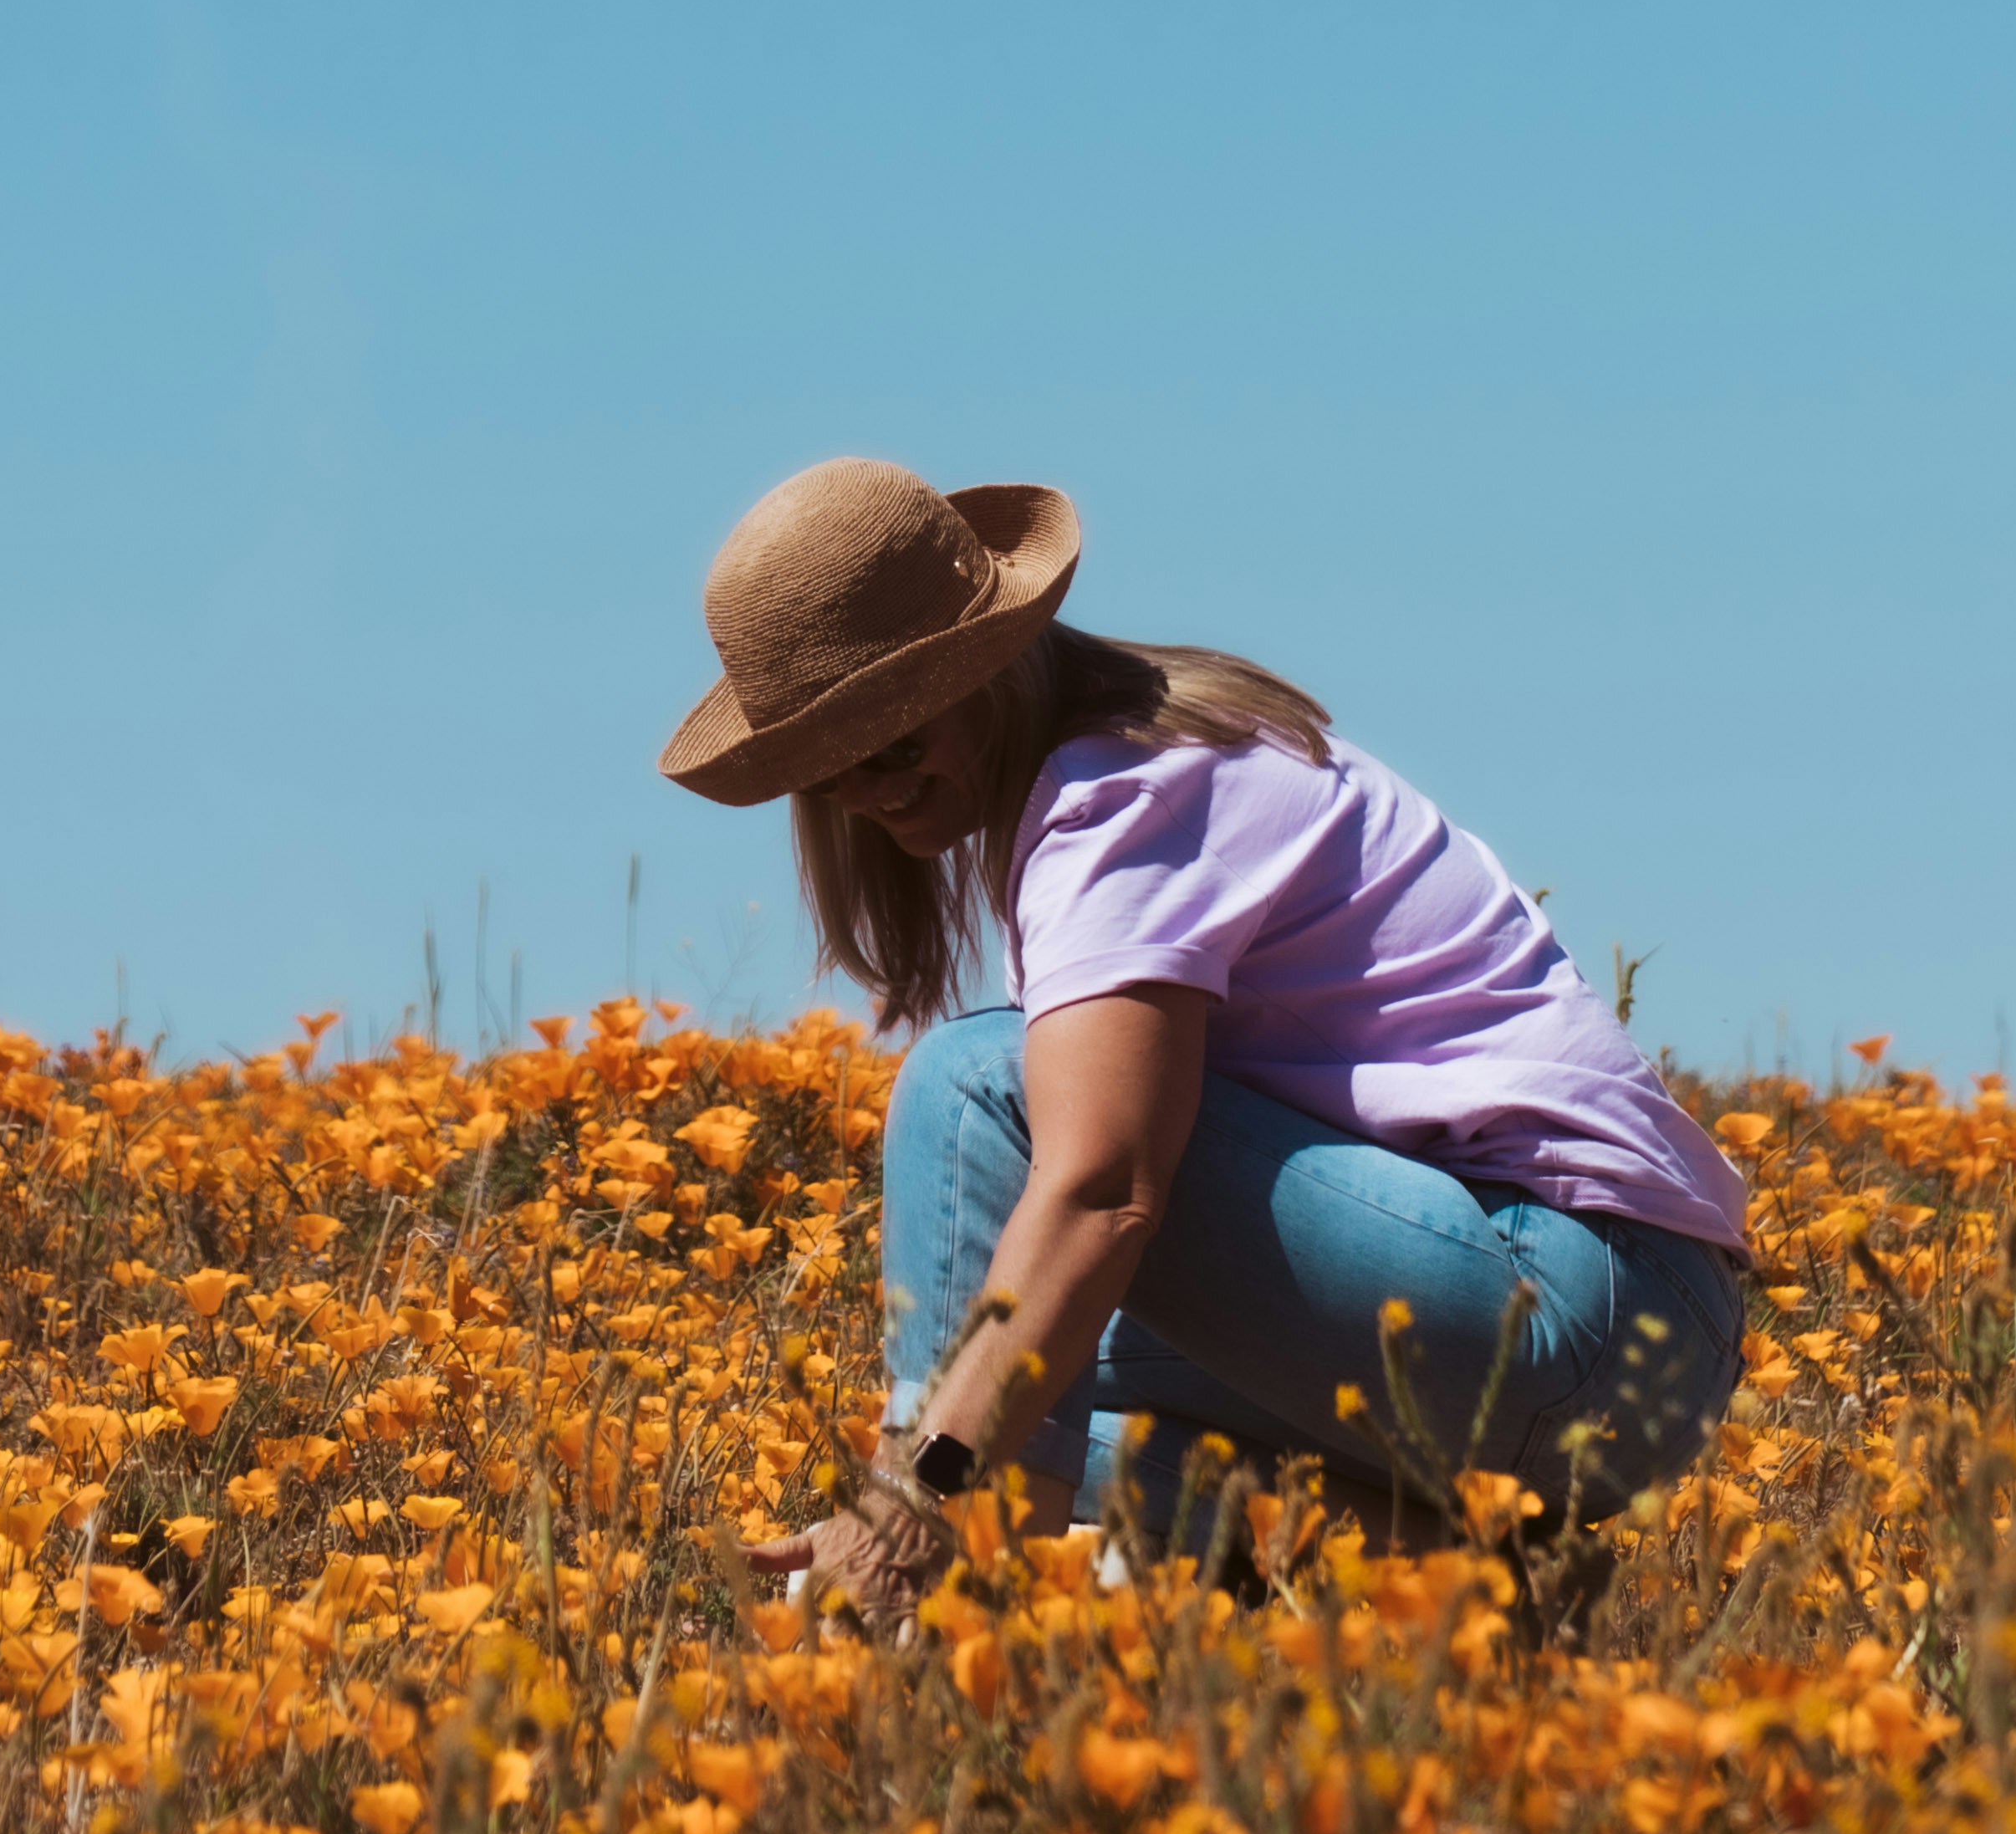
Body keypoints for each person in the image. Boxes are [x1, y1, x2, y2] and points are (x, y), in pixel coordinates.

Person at [656, 458, 1755, 1614]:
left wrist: (919, 1488)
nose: (868, 794)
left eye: (891, 742)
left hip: (1585, 1304)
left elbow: (1103, 1189)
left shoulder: (1117, 799)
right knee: (1030, 1395)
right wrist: (940, 1447)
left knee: (976, 1094)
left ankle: (933, 1605)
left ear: (985, 670)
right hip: (1617, 1342)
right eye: (828, 771)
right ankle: (1480, 1580)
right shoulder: (1127, 760)